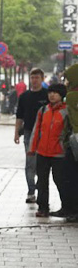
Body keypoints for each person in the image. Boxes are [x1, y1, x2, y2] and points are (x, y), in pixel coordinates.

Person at [27, 83, 70, 218]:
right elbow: (36, 130)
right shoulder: (43, 110)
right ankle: (43, 207)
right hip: (42, 152)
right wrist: (32, 148)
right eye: (50, 92)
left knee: (61, 181)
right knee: (42, 181)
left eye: (55, 93)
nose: (52, 95)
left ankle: (67, 207)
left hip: (59, 154)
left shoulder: (67, 111)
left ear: (61, 95)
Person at [14, 68, 49, 204]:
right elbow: (19, 116)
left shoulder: (47, 95)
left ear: (42, 79)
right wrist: (16, 132)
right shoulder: (24, 96)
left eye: (37, 78)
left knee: (42, 164)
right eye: (32, 78)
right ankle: (31, 191)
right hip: (28, 132)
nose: (34, 80)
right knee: (30, 163)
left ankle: (41, 190)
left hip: (44, 133)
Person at [61, 63, 78, 221]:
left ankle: (73, 210)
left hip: (74, 141)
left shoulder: (72, 96)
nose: (66, 82)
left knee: (71, 176)